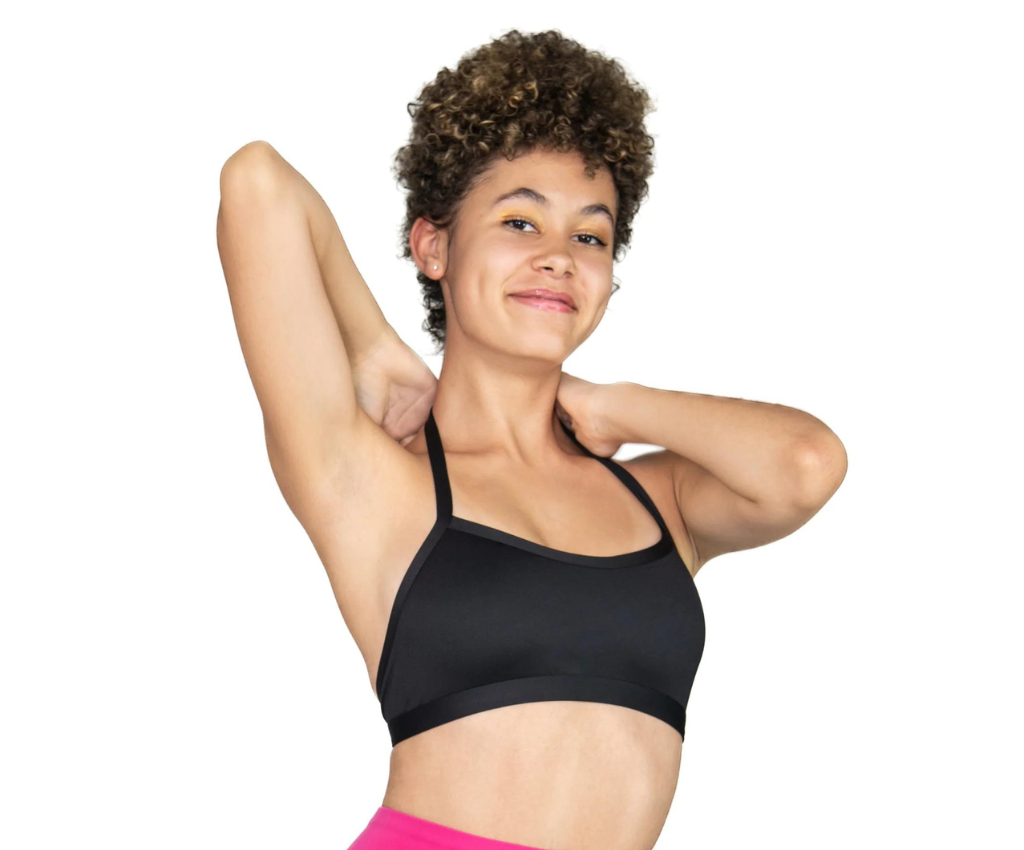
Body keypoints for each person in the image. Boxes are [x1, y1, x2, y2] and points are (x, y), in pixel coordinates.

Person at [216, 28, 847, 850]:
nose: (557, 258)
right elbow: (257, 182)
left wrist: (614, 406)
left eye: (589, 236)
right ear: (433, 245)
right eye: (520, 221)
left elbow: (806, 464)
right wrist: (373, 345)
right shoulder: (376, 483)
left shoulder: (656, 500)